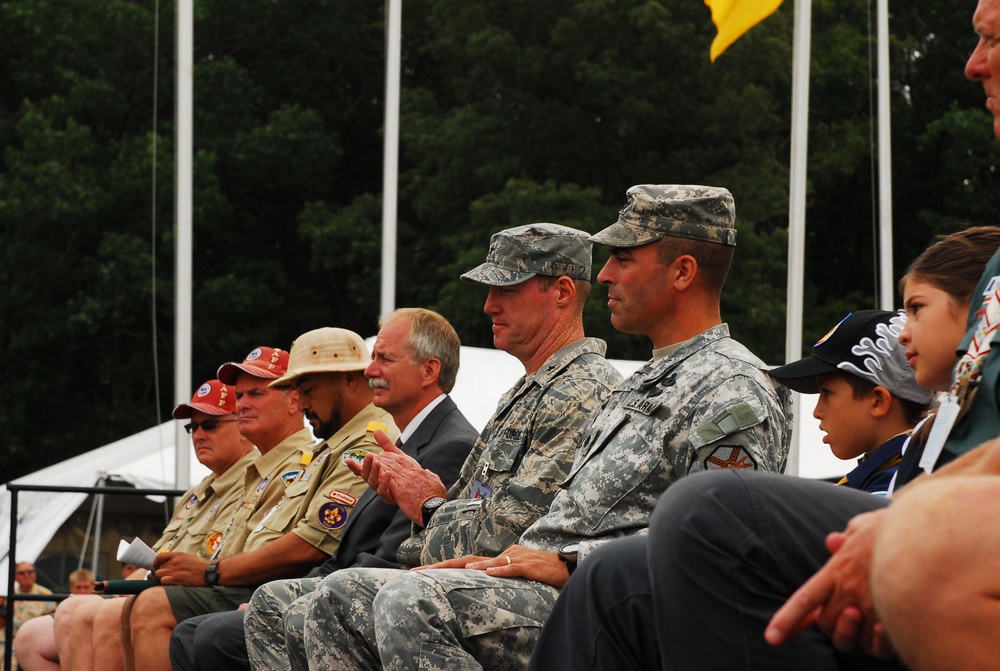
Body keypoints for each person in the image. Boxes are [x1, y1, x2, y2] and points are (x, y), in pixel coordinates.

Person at [302, 184, 792, 670]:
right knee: (340, 600)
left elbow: (724, 543)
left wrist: (570, 561)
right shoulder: (638, 384)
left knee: (410, 602)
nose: (602, 275)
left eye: (623, 258)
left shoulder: (732, 387)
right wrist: (501, 555)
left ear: (683, 271)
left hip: (618, 604)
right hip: (548, 581)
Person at [526, 223, 1000, 671]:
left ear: (985, 309)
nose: (905, 331)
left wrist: (901, 528)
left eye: (916, 308)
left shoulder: (731, 383)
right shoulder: (933, 437)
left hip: (948, 564)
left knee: (709, 506)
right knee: (612, 573)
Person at [258, 223, 624, 671]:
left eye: (505, 288)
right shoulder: (526, 392)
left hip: (544, 592)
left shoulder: (581, 392)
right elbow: (470, 512)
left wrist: (429, 507)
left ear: (563, 292)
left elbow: (504, 539)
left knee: (365, 597)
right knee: (279, 605)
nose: (489, 305)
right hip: (479, 574)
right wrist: (426, 500)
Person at [168, 308, 478, 671]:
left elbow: (394, 558)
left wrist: (276, 594)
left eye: (384, 359)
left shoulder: (446, 446)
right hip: (348, 589)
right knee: (192, 634)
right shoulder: (406, 442)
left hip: (371, 600)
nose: (370, 370)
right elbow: (351, 554)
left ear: (429, 371)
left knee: (213, 636)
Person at [125, 328, 395, 671]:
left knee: (157, 611)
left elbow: (311, 545)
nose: (302, 402)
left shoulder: (365, 443)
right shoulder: (324, 449)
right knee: (130, 610)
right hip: (283, 583)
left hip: (316, 588)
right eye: (193, 427)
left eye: (307, 390)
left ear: (349, 380)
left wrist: (211, 573)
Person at [47, 378, 258, 671]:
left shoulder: (257, 482)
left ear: (242, 426)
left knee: (109, 613)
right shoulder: (195, 494)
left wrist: (144, 580)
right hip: (169, 588)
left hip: (215, 591)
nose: (198, 435)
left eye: (209, 425)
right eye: (192, 427)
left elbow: (216, 562)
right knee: (48, 624)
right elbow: (158, 555)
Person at [767, 309, 932, 495]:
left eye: (827, 393)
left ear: (878, 402)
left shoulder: (889, 492)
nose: (817, 412)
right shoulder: (911, 471)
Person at [11, 563, 54, 631]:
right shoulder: (11, 595)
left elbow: (53, 619)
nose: (27, 575)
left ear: (35, 575)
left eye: (30, 572)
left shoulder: (45, 594)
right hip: (12, 639)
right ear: (15, 577)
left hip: (35, 638)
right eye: (22, 573)